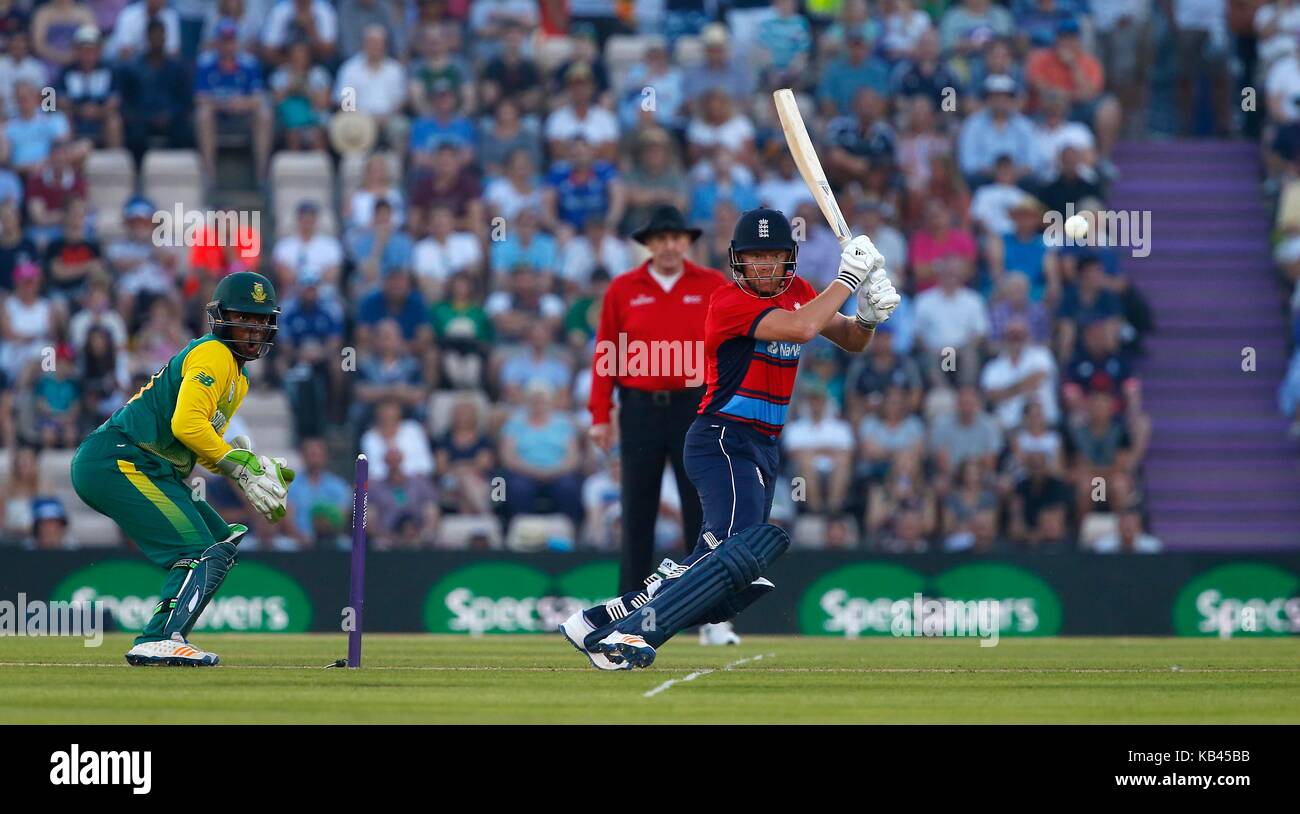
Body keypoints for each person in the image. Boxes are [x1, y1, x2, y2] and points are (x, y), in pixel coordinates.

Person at [561, 207, 900, 669]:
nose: (764, 266)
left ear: (789, 259)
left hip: (762, 445)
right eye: (754, 257)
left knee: (730, 563)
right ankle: (630, 635)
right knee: (731, 551)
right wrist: (847, 277)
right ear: (738, 260)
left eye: (774, 256)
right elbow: (802, 327)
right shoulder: (727, 302)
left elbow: (849, 339)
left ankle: (599, 619)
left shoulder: (801, 292)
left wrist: (867, 317)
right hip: (723, 438)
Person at [69, 271, 294, 666]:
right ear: (222, 317)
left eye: (261, 320)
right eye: (245, 317)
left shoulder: (237, 379)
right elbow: (186, 425)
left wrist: (247, 463)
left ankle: (168, 636)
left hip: (148, 466)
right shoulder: (214, 354)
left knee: (219, 541)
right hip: (119, 459)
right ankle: (158, 638)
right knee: (195, 548)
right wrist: (237, 464)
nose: (254, 329)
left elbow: (199, 444)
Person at [584, 205, 727, 640]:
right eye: (660, 238)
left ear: (688, 242)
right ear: (648, 244)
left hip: (694, 406)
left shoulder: (712, 285)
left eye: (676, 237)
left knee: (700, 513)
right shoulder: (624, 289)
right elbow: (606, 351)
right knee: (638, 512)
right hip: (641, 407)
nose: (669, 246)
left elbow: (729, 346)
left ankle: (711, 618)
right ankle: (627, 619)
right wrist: (599, 414)